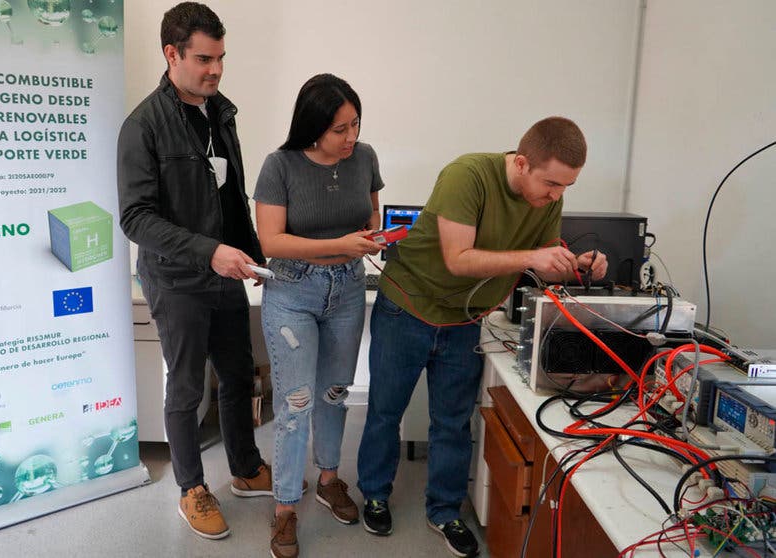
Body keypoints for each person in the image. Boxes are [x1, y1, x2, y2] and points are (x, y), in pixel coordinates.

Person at [356, 117, 608, 557]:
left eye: (566, 188)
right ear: (523, 163)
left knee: (453, 422)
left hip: (464, 321)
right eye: (551, 184)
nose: (556, 196)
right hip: (408, 308)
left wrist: (576, 262)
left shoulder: (547, 196)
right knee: (384, 410)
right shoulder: (467, 175)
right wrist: (534, 255)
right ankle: (375, 494)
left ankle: (444, 510)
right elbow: (458, 259)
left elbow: (546, 251)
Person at [116, 2, 276, 540]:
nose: (216, 69)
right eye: (204, 59)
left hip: (226, 273)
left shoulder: (221, 112)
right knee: (187, 389)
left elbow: (231, 196)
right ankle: (192, 488)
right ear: (171, 54)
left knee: (236, 374)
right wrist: (210, 252)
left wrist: (254, 253)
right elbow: (136, 219)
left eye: (221, 58)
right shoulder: (143, 126)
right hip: (178, 279)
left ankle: (247, 470)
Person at [254, 73, 384, 558]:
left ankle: (329, 479)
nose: (351, 137)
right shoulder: (279, 165)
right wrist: (340, 244)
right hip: (292, 290)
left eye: (356, 125)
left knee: (335, 393)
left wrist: (372, 235)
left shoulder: (365, 158)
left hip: (348, 289)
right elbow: (272, 242)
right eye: (340, 129)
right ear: (313, 127)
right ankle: (286, 506)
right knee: (296, 403)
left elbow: (372, 215)